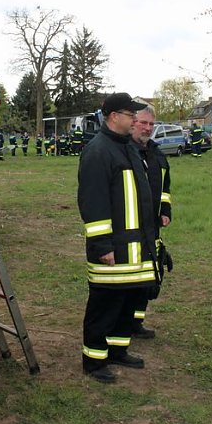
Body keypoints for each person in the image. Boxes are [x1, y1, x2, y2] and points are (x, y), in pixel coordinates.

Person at [78, 92, 157, 384]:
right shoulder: (98, 151)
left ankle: (117, 349)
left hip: (136, 247)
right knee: (104, 304)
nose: (135, 119)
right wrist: (102, 246)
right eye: (130, 114)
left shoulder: (128, 148)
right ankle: (94, 360)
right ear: (114, 117)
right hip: (112, 248)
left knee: (128, 299)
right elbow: (93, 202)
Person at [128, 103, 172, 340]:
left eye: (151, 124)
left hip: (153, 227)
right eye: (142, 123)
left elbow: (165, 187)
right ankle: (124, 322)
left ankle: (137, 321)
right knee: (131, 276)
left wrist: (165, 209)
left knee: (149, 276)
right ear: (132, 123)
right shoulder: (125, 152)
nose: (147, 128)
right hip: (131, 226)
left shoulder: (157, 154)